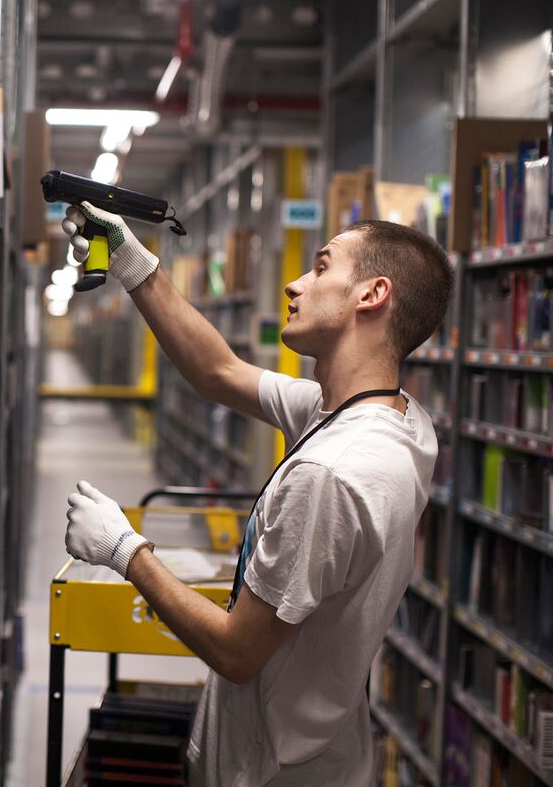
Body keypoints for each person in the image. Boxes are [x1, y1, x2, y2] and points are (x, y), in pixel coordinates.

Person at [59, 202, 452, 786]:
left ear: (371, 295)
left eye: (322, 268)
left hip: (271, 772)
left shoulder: (330, 473)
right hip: (316, 756)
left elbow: (236, 652)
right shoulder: (389, 420)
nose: (294, 284)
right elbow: (218, 370)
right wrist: (130, 260)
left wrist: (124, 550)